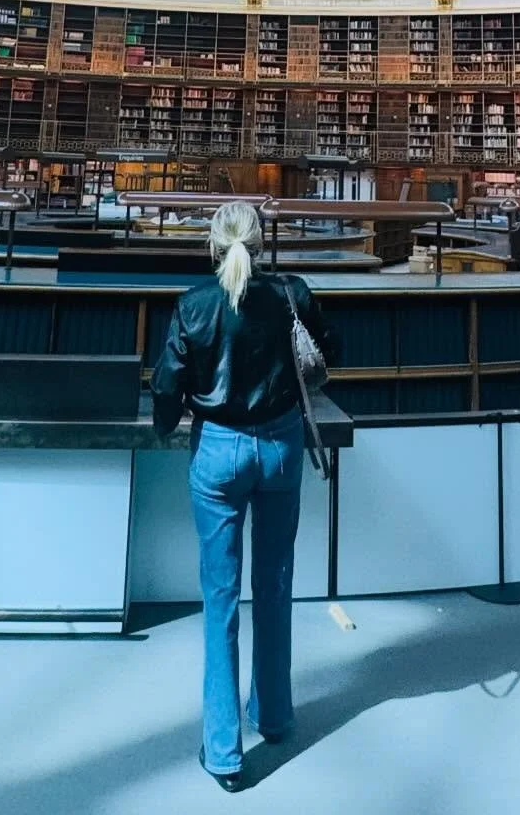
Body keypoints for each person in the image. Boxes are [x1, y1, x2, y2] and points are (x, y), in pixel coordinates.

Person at [151, 200, 338, 792]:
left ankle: (225, 752)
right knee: (276, 584)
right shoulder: (292, 294)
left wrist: (167, 425)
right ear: (262, 244)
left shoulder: (193, 305)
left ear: (212, 244)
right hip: (280, 448)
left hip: (219, 454)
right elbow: (330, 351)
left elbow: (166, 385)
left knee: (221, 598)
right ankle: (276, 716)